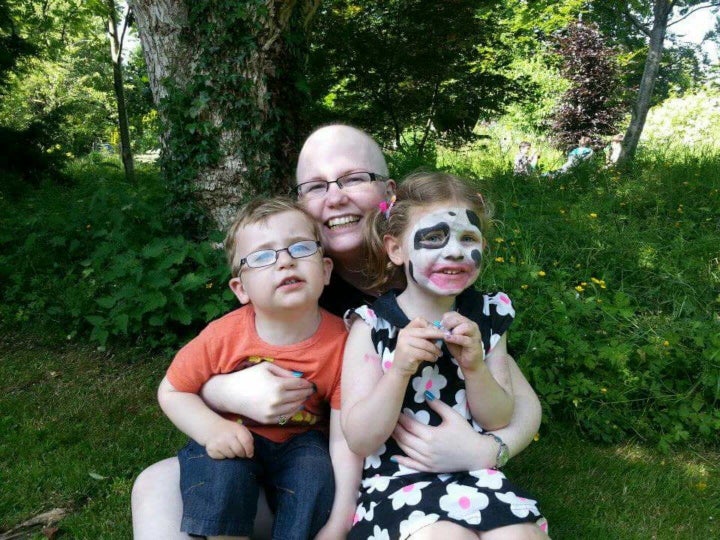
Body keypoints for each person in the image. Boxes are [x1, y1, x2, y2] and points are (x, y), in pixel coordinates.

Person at [132, 124, 543, 539]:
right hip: (311, 467)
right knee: (156, 486)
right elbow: (200, 370)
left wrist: (490, 449)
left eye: (354, 179)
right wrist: (223, 391)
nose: (335, 197)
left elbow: (514, 396)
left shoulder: (435, 279)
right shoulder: (285, 281)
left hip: (357, 473)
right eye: (315, 186)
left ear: (390, 193)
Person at [342, 172, 548, 539]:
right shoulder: (371, 326)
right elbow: (359, 439)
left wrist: (475, 367)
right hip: (397, 482)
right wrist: (399, 371)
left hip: (474, 474)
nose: (454, 250)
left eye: (467, 238)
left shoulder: (487, 316)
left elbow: (499, 418)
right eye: (435, 237)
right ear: (396, 249)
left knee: (520, 536)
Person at [157, 197, 359, 539]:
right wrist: (211, 429)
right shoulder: (224, 335)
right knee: (222, 470)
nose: (285, 262)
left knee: (314, 473)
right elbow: (173, 390)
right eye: (263, 257)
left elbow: (344, 439)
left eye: (299, 247)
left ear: (325, 271)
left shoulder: (343, 342)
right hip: (232, 430)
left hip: (301, 440)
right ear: (241, 289)